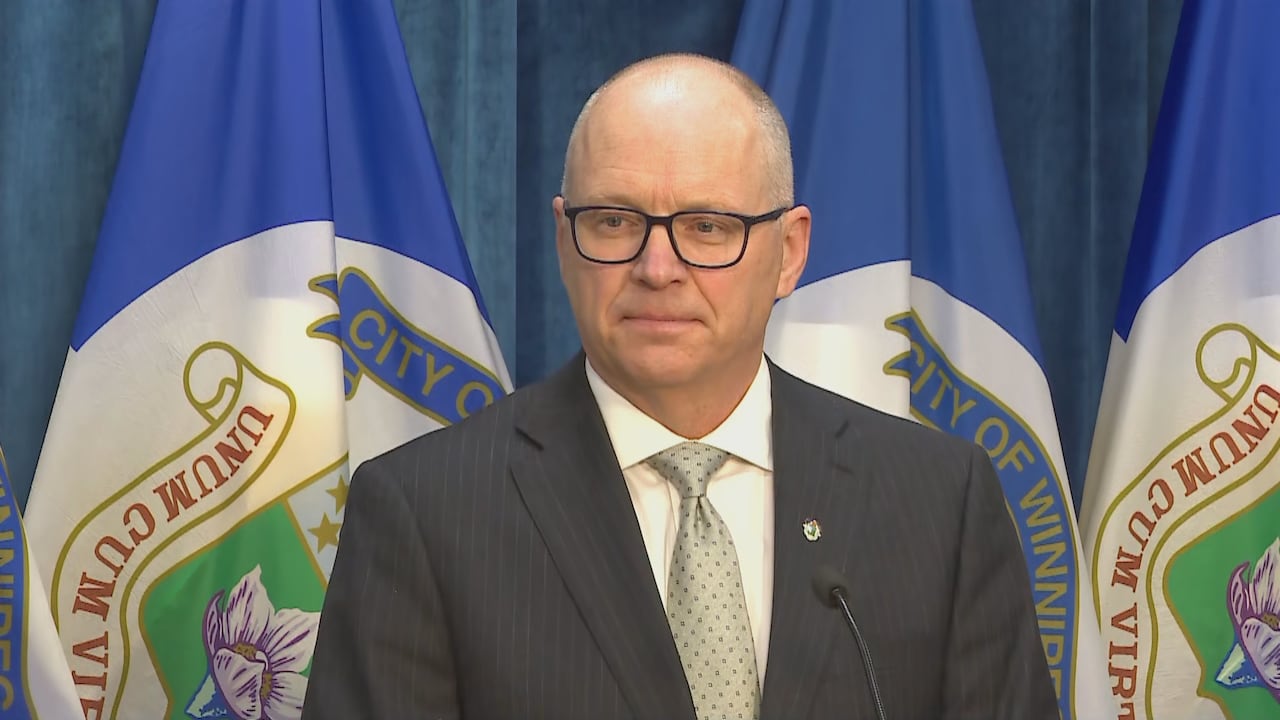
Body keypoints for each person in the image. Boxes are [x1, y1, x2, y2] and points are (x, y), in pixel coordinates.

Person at [302, 53, 1058, 720]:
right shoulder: (426, 514)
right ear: (565, 241)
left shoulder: (939, 501)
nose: (657, 269)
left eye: (706, 227)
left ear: (789, 252)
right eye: (613, 221)